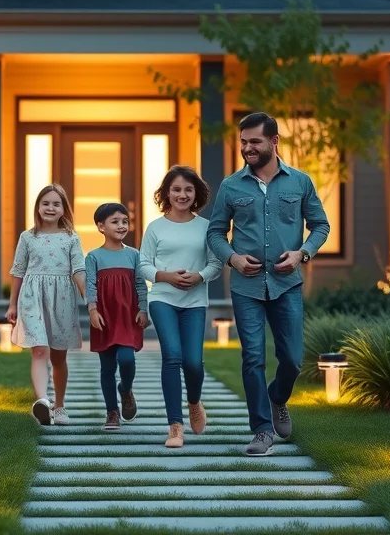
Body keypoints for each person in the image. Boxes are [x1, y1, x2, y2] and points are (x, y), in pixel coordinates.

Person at [206, 112, 330, 457]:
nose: (247, 148)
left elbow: (320, 226)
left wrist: (302, 253)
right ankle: (261, 430)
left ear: (273, 142)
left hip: (286, 283)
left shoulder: (300, 182)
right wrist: (232, 258)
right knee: (253, 358)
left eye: (254, 141)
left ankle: (277, 397)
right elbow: (215, 232)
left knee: (291, 359)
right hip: (246, 287)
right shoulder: (231, 186)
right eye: (243, 142)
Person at [139, 165, 223, 448]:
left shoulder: (206, 226)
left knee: (193, 363)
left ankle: (195, 401)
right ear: (166, 193)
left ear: (196, 193)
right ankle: (175, 426)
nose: (182, 194)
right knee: (172, 356)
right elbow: (144, 264)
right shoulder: (155, 227)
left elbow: (216, 263)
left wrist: (199, 276)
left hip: (195, 301)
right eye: (176, 189)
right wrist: (166, 277)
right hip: (162, 298)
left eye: (188, 189)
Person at [7, 183, 87, 426]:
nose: (50, 208)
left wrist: (90, 300)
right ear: (38, 207)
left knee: (59, 357)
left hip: (61, 299)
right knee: (39, 350)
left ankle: (59, 406)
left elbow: (79, 270)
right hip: (32, 298)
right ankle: (42, 401)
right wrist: (12, 305)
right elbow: (18, 271)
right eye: (45, 203)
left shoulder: (71, 238)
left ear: (64, 210)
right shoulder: (27, 237)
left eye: (56, 204)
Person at [85, 203, 149, 431]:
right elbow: (90, 285)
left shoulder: (134, 255)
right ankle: (112, 411)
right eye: (115, 221)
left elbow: (141, 284)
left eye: (124, 221)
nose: (121, 225)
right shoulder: (93, 256)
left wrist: (143, 309)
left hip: (127, 315)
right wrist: (92, 310)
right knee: (107, 366)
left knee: (127, 359)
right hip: (104, 315)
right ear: (101, 226)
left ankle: (126, 389)